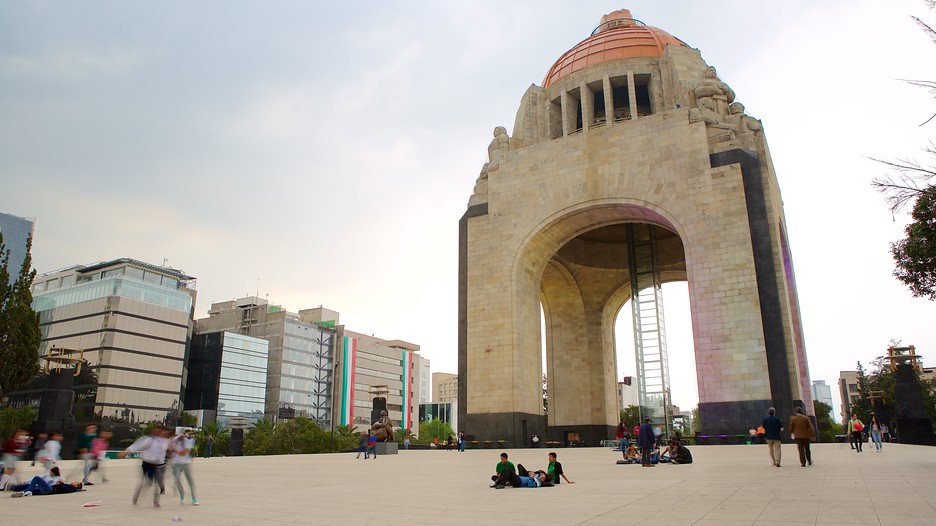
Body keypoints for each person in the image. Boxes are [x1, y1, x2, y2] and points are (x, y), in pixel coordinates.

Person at [119, 425, 170, 508]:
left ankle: (156, 503)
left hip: (156, 465)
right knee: (145, 482)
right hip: (147, 463)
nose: (163, 434)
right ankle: (136, 498)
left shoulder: (166, 441)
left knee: (155, 484)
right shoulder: (150, 440)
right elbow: (137, 446)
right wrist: (125, 452)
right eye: (162, 432)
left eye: (165, 433)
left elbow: (171, 448)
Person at [8, 466, 83, 497]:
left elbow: (62, 488)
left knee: (36, 478)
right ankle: (12, 488)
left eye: (76, 482)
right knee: (30, 487)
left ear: (76, 486)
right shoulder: (68, 486)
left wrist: (60, 483)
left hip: (50, 489)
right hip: (45, 489)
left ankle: (26, 492)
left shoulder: (71, 487)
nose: (74, 481)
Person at [171, 429, 198, 506]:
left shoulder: (190, 441)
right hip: (176, 463)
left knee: (190, 481)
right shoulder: (176, 440)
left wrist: (175, 450)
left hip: (186, 463)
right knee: (177, 479)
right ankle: (182, 494)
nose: (183, 436)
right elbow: (170, 445)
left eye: (185, 434)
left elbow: (183, 453)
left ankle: (194, 498)